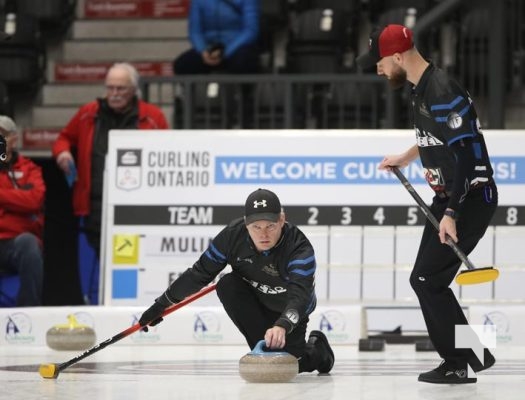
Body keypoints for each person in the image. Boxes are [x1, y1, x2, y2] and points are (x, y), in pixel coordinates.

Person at [357, 25, 497, 384]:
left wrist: (452, 213)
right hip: (447, 198)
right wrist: (406, 157)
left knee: (426, 279)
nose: (378, 69)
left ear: (399, 57)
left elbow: (466, 155)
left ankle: (461, 361)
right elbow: (436, 136)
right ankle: (471, 356)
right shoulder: (421, 90)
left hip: (469, 199)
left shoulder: (442, 89)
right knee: (426, 279)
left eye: (380, 62)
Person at [139, 188, 335, 374]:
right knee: (227, 283)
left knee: (289, 366)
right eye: (256, 227)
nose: (263, 234)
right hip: (255, 301)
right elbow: (199, 274)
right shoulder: (232, 237)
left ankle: (318, 349)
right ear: (245, 223)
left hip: (290, 311)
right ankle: (267, 351)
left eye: (270, 226)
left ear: (282, 220)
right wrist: (161, 305)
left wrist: (283, 324)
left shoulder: (299, 250)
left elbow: (299, 297)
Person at [52, 63, 168, 261]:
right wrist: (63, 153)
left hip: (137, 204)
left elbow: (168, 151)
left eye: (120, 88)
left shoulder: (152, 117)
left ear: (133, 90)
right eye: (110, 87)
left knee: (130, 259)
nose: (114, 93)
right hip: (95, 204)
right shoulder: (88, 112)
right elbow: (63, 138)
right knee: (99, 260)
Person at [0, 116, 45, 306]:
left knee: (29, 244)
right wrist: (17, 199)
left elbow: (34, 200)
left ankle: (28, 314)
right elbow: (26, 201)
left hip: (16, 242)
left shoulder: (30, 169)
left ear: (13, 139)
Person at [173, 0, 260, 75]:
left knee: (243, 62)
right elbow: (195, 31)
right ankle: (191, 94)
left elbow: (250, 31)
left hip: (236, 47)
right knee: (182, 64)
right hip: (209, 48)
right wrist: (203, 50)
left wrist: (225, 52)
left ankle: (246, 94)